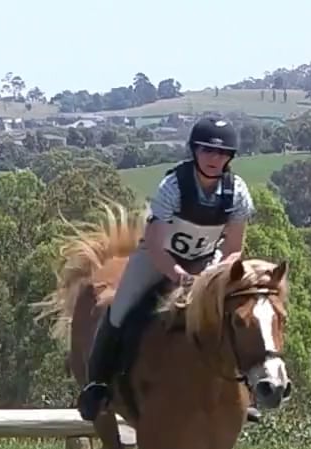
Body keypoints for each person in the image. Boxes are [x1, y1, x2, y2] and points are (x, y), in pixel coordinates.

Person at [76, 116, 261, 424]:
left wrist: (212, 277)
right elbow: (157, 244)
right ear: (194, 151)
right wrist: (178, 276)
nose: (215, 159)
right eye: (207, 151)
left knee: (236, 314)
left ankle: (244, 392)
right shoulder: (174, 185)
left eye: (222, 153)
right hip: (157, 258)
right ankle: (98, 384)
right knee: (120, 310)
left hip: (206, 262)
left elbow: (234, 249)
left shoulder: (237, 192)